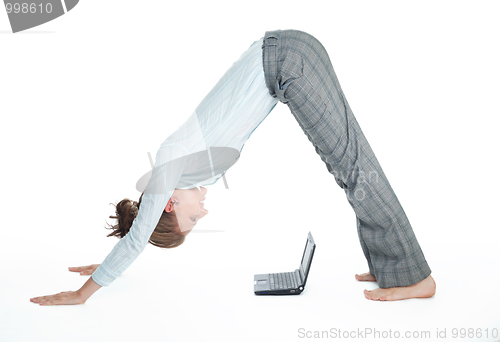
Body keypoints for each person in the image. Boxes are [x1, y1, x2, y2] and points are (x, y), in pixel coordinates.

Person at [30, 29, 435, 306]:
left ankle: (415, 279)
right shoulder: (185, 170)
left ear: (167, 204)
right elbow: (138, 234)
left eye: (192, 216)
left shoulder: (169, 167)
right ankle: (393, 268)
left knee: (355, 170)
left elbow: (137, 240)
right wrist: (109, 260)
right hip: (286, 60)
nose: (204, 210)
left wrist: (84, 293)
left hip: (287, 62)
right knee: (348, 167)